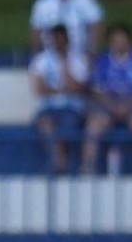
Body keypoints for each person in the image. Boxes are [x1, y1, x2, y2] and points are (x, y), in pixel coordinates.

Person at [82, 23, 132, 175]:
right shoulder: (102, 63)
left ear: (130, 42)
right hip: (108, 107)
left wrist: (128, 106)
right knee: (93, 126)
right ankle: (87, 169)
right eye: (116, 40)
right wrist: (113, 106)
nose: (119, 44)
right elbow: (97, 92)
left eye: (122, 40)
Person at [31, 24, 89, 174]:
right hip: (48, 108)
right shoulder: (41, 61)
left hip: (71, 108)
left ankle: (61, 167)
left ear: (67, 39)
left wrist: (64, 64)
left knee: (67, 129)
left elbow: (79, 88)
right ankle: (60, 165)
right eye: (55, 39)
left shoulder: (78, 59)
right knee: (46, 125)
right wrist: (62, 89)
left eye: (61, 38)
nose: (58, 42)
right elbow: (40, 90)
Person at [30, 0, 104, 57]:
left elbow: (97, 23)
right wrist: (36, 55)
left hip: (78, 53)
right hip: (50, 53)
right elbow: (36, 30)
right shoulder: (43, 1)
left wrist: (92, 51)